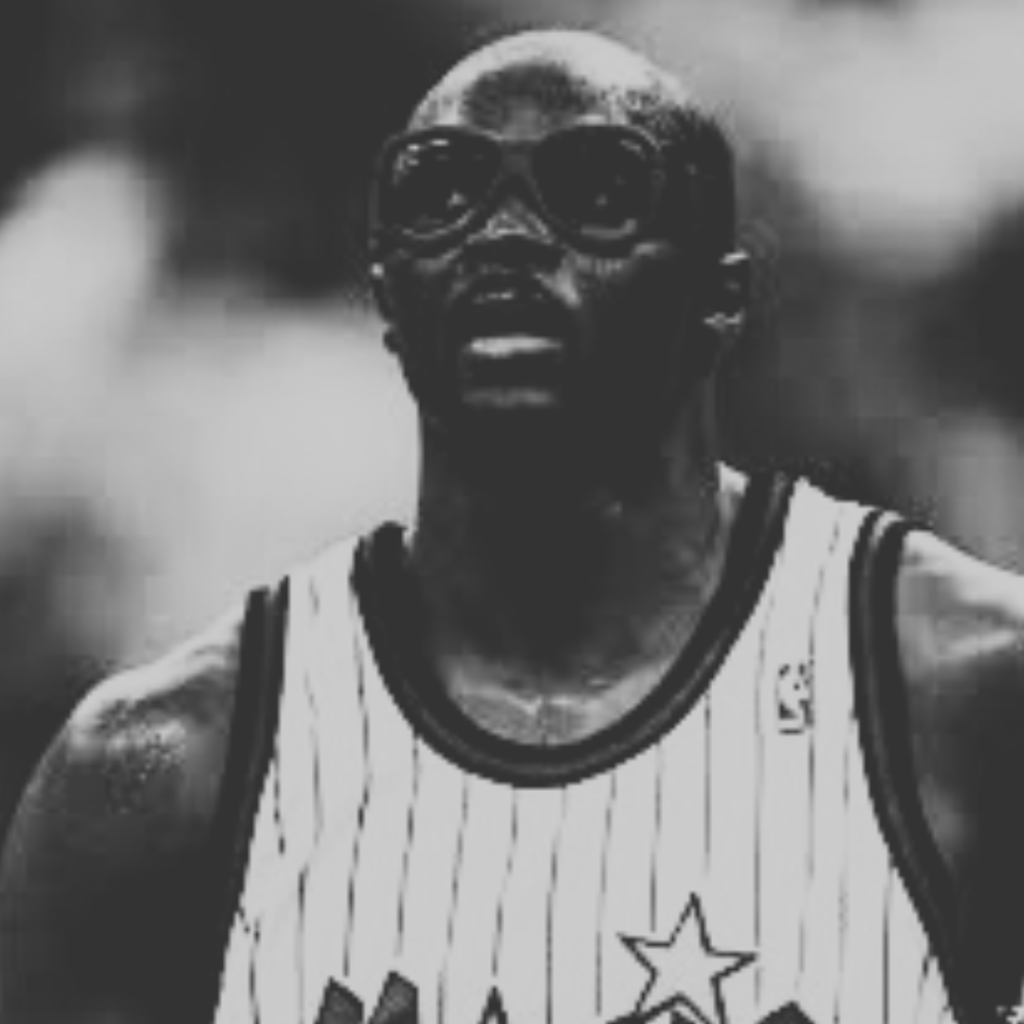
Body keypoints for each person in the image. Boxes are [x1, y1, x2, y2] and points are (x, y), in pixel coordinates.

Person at [2, 27, 1024, 1024]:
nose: (504, 237)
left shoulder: (965, 686)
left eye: (596, 194)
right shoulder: (162, 771)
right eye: (443, 195)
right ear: (386, 298)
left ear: (721, 296)